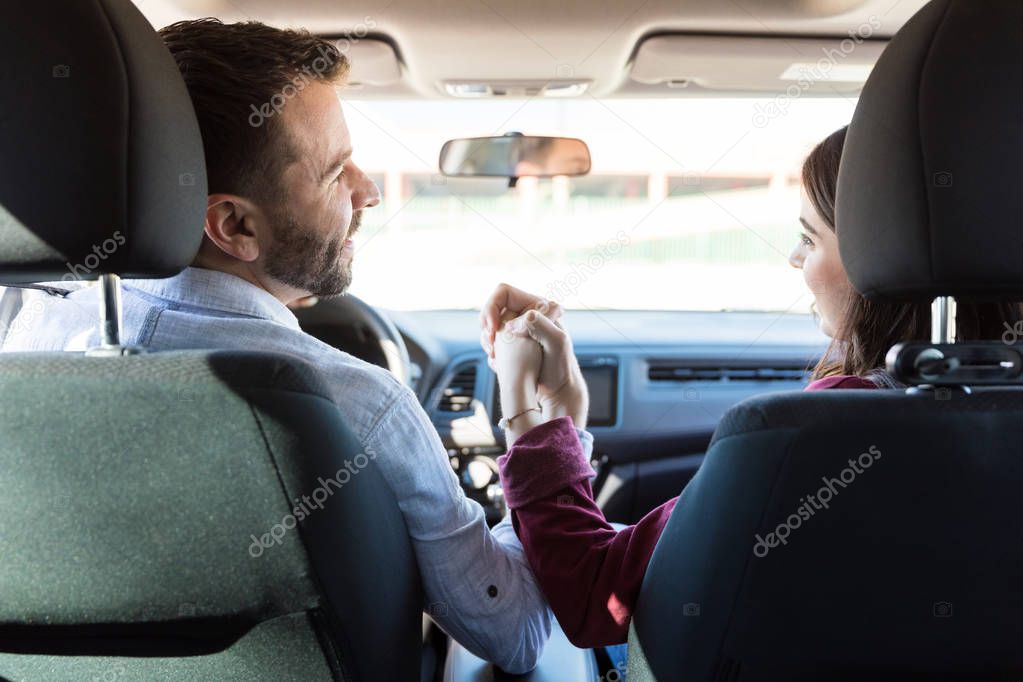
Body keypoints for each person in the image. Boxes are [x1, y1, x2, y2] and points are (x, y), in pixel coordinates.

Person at [1, 19, 565, 674]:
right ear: (233, 224)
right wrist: (544, 419)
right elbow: (517, 632)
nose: (369, 191)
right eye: (334, 173)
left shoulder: (18, 339)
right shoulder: (356, 400)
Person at [479, 126, 1023, 648]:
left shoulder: (822, 436)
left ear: (880, 258)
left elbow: (598, 598)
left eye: (809, 238)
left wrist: (531, 415)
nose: (794, 258)